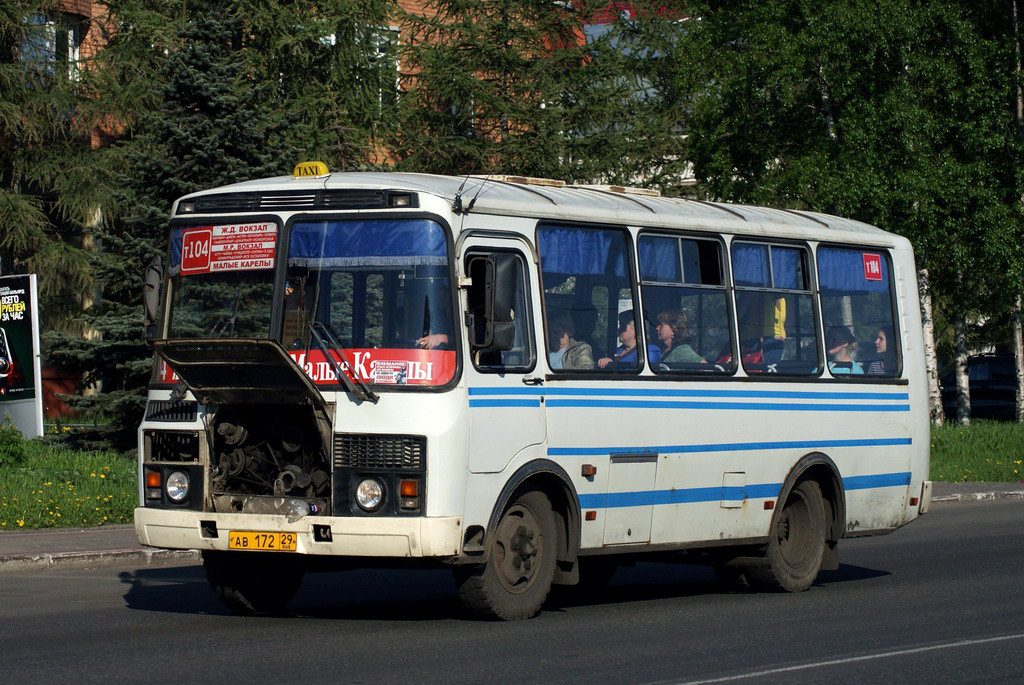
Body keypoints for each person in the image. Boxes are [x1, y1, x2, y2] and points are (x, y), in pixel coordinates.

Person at [597, 311, 662, 368]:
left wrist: (615, 365)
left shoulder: (649, 351)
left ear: (636, 329)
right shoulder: (617, 351)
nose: (619, 330)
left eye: (623, 327)